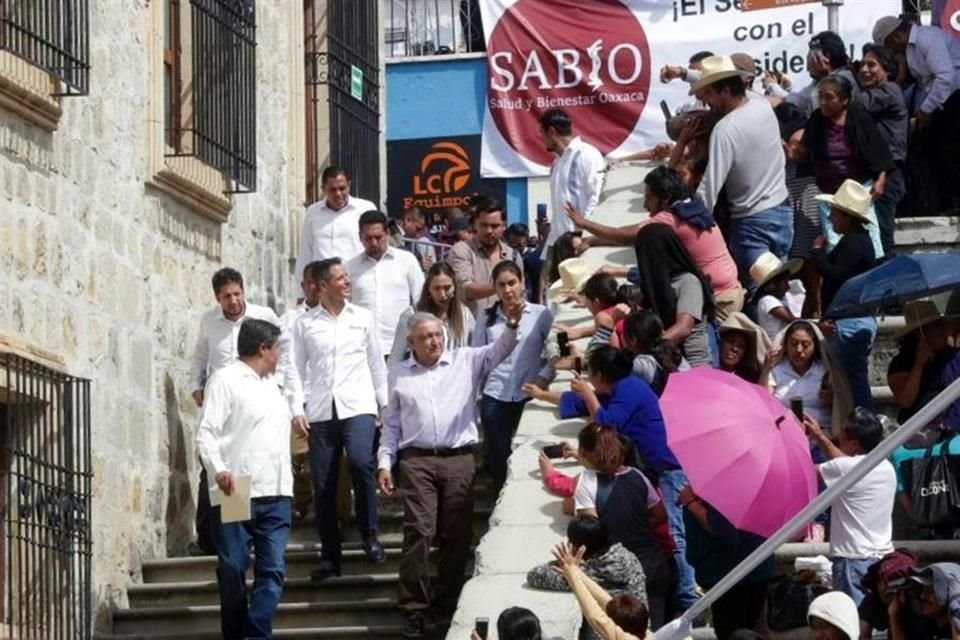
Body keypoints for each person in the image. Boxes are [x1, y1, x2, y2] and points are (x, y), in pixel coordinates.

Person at [378, 310, 521, 638]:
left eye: (438, 335)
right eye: (426, 337)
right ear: (411, 342)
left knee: (456, 536)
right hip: (417, 461)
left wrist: (512, 324)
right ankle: (414, 608)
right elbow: (392, 425)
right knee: (420, 532)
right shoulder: (399, 374)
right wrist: (385, 463)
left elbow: (499, 350)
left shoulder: (464, 360)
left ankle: (445, 606)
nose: (434, 341)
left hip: (459, 458)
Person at [524, 350, 697, 618]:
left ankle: (688, 600)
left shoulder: (629, 389)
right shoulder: (635, 477)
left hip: (666, 470)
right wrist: (541, 394)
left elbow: (607, 423)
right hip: (651, 561)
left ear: (600, 375)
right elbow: (581, 405)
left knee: (679, 536)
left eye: (591, 375)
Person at [288, 258, 388, 580]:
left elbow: (376, 363)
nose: (348, 281)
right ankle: (330, 556)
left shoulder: (363, 318)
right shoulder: (304, 324)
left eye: (347, 276)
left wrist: (383, 406)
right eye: (341, 277)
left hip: (358, 404)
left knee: (360, 461)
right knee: (324, 483)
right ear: (322, 286)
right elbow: (295, 368)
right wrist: (296, 408)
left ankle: (369, 533)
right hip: (320, 409)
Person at [196, 319, 292, 640]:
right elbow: (206, 433)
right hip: (237, 487)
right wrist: (219, 468)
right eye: (277, 348)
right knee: (233, 567)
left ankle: (255, 632)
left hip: (277, 491)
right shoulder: (225, 380)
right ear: (263, 349)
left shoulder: (274, 387)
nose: (280, 355)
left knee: (273, 570)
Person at [189, 267, 287, 555]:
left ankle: (250, 537)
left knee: (250, 462)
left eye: (236, 294)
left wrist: (278, 384)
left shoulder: (264, 316)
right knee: (216, 466)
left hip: (256, 399)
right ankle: (213, 540)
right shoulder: (209, 322)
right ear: (217, 298)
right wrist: (197, 386)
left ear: (244, 291)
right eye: (226, 297)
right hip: (222, 401)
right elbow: (200, 357)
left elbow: (283, 349)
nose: (233, 301)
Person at [570, 166, 742, 320]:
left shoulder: (670, 219)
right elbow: (632, 235)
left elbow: (625, 235)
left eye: (649, 198)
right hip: (731, 289)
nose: (645, 205)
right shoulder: (691, 206)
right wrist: (593, 240)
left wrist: (584, 224)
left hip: (719, 300)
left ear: (665, 198)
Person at [692, 55, 793, 291]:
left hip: (751, 223)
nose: (705, 101)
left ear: (725, 90)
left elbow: (709, 189)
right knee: (778, 289)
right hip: (783, 213)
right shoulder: (760, 103)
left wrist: (686, 221)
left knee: (755, 295)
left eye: (708, 94)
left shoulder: (725, 130)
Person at [564, 425, 671, 629]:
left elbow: (591, 532)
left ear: (584, 453)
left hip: (617, 575)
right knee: (653, 630)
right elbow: (660, 514)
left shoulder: (586, 481)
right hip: (653, 564)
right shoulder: (638, 476)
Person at [789, 76, 893, 264]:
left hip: (858, 190)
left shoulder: (859, 118)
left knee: (869, 240)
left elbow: (879, 151)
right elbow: (805, 152)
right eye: (820, 97)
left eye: (829, 97)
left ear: (844, 100)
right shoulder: (816, 120)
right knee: (834, 241)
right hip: (829, 190)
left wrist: (881, 179)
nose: (823, 102)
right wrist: (793, 154)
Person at [802, 408, 897, 606]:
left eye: (842, 434)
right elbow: (844, 463)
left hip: (852, 561)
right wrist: (819, 436)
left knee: (852, 628)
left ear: (854, 443)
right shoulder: (886, 466)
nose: (837, 438)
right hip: (882, 559)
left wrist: (796, 438)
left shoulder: (845, 469)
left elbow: (804, 472)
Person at [473, 261, 552, 490]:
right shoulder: (485, 318)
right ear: (495, 288)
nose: (507, 290)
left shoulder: (540, 315)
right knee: (499, 456)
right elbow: (478, 357)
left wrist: (543, 377)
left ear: (522, 283)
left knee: (529, 452)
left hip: (529, 393)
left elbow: (553, 354)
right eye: (501, 285)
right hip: (495, 395)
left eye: (512, 283)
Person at [873, 15, 960, 214]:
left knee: (950, 149)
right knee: (928, 152)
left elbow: (945, 77)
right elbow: (923, 85)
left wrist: (925, 110)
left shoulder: (927, 38)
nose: (891, 51)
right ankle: (941, 202)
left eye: (889, 45)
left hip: (955, 97)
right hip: (941, 102)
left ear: (895, 37)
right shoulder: (909, 53)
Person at [812, 180, 880, 411]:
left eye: (835, 213)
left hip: (849, 323)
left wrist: (818, 252)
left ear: (848, 217)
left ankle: (865, 427)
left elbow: (835, 273)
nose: (830, 218)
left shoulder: (854, 243)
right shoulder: (858, 241)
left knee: (852, 382)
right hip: (849, 320)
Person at [527, 517, 648, 640]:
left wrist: (568, 565)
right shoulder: (629, 557)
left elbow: (535, 575)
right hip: (641, 629)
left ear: (579, 547)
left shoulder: (588, 571)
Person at [680, 486, 774, 640]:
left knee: (735, 633)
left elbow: (725, 533)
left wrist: (691, 504)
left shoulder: (724, 489)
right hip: (753, 568)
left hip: (733, 577)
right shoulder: (745, 483)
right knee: (754, 630)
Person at [538, 108, 605, 288]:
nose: (541, 139)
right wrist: (548, 253)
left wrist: (584, 237)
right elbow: (559, 210)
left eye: (542, 134)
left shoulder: (587, 154)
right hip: (559, 244)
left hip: (578, 243)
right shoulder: (557, 163)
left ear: (551, 132)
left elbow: (596, 198)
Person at [633, 224, 715, 367]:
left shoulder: (688, 282)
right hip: (664, 359)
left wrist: (642, 351)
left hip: (692, 364)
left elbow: (683, 328)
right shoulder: (654, 285)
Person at [345, 210, 425, 356]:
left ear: (387, 234)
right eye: (368, 238)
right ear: (360, 237)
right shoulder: (349, 268)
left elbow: (421, 299)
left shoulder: (407, 261)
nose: (374, 243)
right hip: (363, 348)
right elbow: (344, 307)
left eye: (378, 237)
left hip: (403, 347)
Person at [279, 264, 323, 522]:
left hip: (325, 396)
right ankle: (302, 503)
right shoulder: (288, 320)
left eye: (320, 282)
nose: (316, 287)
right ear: (304, 286)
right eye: (311, 282)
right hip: (295, 396)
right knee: (297, 456)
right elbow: (283, 359)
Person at [856, 44, 908, 257]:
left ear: (887, 70)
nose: (864, 70)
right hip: (874, 172)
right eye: (862, 65)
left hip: (888, 174)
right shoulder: (873, 92)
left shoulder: (889, 90)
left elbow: (856, 104)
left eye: (872, 65)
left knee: (883, 238)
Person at [761, 320, 853, 438]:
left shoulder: (826, 371)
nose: (799, 350)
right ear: (786, 345)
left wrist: (832, 399)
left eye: (805, 345)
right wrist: (766, 369)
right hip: (784, 434)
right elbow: (764, 400)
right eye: (793, 344)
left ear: (815, 346)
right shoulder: (776, 370)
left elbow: (841, 405)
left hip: (821, 435)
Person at [294, 166, 377, 289]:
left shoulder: (365, 209)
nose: (338, 194)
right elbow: (306, 252)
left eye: (342, 188)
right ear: (323, 189)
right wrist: (301, 292)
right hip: (323, 286)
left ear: (349, 185)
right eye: (333, 190)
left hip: (355, 282)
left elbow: (375, 246)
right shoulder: (313, 213)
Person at [553, 541, 652, 640]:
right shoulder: (645, 632)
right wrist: (576, 572)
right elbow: (607, 602)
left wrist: (573, 574)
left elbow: (596, 618)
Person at [446, 196, 523, 319]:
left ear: (504, 226)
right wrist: (502, 286)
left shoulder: (513, 255)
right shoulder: (461, 251)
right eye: (484, 225)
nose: (489, 231)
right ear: (475, 225)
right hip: (472, 329)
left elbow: (520, 293)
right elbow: (465, 290)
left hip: (506, 326)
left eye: (494, 226)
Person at [887, 298, 960, 425]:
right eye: (937, 326)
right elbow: (906, 400)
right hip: (920, 429)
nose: (943, 329)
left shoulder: (952, 356)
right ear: (920, 333)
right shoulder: (901, 364)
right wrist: (919, 365)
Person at [387, 262, 475, 367]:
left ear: (455, 287)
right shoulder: (411, 315)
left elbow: (473, 352)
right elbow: (395, 358)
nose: (442, 295)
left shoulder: (465, 315)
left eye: (447, 288)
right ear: (428, 289)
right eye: (437, 288)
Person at [769, 31, 861, 116]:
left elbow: (808, 104)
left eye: (810, 57)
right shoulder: (819, 81)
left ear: (827, 57)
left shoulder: (844, 79)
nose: (808, 65)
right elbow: (797, 101)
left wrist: (772, 86)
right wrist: (783, 88)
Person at [857, 549, 942, 640]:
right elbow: (863, 635)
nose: (888, 588)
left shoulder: (921, 604)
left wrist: (894, 616)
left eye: (896, 582)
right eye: (882, 581)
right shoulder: (872, 600)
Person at [749, 252, 802, 340]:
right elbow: (792, 320)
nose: (788, 286)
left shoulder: (774, 300)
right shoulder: (767, 300)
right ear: (772, 285)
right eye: (784, 282)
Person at [716, 312, 772, 384]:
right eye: (730, 341)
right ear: (720, 342)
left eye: (741, 346)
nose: (735, 349)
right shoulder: (708, 368)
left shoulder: (750, 378)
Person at [399, 206, 439, 270]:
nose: (419, 234)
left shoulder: (424, 240)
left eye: (421, 229)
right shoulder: (396, 238)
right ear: (407, 220)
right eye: (417, 229)